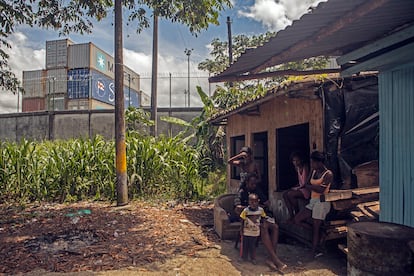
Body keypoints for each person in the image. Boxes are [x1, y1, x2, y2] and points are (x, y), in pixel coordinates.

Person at [234, 173, 287, 271]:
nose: (254, 186)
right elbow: (237, 209)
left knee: (275, 227)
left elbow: (267, 203)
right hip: (247, 219)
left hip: (260, 215)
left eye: (255, 184)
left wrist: (259, 207)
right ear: (247, 183)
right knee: (263, 228)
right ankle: (276, 260)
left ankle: (271, 257)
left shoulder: (256, 190)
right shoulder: (242, 192)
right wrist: (251, 208)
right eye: (252, 184)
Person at [293, 151, 333, 257]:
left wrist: (310, 187)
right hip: (313, 201)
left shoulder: (328, 174)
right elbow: (307, 184)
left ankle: (313, 251)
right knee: (297, 220)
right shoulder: (313, 171)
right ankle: (321, 234)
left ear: (319, 162)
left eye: (313, 162)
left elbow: (320, 190)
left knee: (315, 227)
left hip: (322, 201)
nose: (312, 165)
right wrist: (311, 187)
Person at [239, 193, 266, 264]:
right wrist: (241, 229)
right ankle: (244, 257)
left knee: (253, 246)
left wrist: (264, 224)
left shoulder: (261, 210)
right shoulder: (246, 211)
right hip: (246, 231)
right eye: (251, 202)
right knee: (245, 245)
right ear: (248, 202)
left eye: (255, 202)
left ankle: (253, 258)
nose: (253, 203)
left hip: (255, 232)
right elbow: (242, 220)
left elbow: (263, 218)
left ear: (258, 201)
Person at [283, 151, 310, 221]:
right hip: (301, 189)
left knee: (290, 194)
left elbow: (306, 183)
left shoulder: (305, 167)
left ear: (301, 160)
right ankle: (291, 215)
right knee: (285, 194)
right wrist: (295, 187)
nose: (295, 162)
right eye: (294, 161)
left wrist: (297, 188)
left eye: (297, 160)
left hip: (306, 190)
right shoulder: (297, 168)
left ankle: (297, 212)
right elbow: (300, 182)